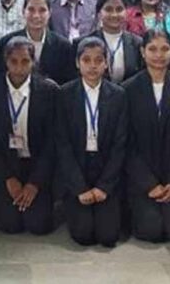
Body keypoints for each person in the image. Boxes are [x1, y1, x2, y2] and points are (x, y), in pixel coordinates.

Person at [55, 37, 129, 247]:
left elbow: (120, 144)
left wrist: (104, 187)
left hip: (106, 169)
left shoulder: (118, 95)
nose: (92, 66)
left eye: (98, 60)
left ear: (106, 63)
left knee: (108, 237)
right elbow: (63, 144)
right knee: (83, 236)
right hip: (78, 168)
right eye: (86, 60)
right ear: (77, 63)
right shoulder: (64, 94)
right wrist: (79, 187)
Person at [124, 30, 170, 244]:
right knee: (151, 231)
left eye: (164, 49)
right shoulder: (128, 89)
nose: (158, 55)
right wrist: (149, 183)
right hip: (143, 178)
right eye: (152, 49)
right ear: (142, 52)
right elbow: (127, 144)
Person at [0, 37, 58, 235]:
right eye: (13, 61)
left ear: (33, 62)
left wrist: (35, 183)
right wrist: (8, 178)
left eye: (25, 61)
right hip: (7, 165)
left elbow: (51, 141)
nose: (19, 67)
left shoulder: (48, 91)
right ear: (5, 61)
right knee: (10, 225)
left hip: (36, 165)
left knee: (39, 226)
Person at [0, 0, 76, 85]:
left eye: (42, 10)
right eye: (31, 10)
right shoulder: (6, 43)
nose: (36, 15)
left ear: (50, 13)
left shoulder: (63, 46)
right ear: (23, 11)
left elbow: (69, 81)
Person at [79, 0, 143, 83]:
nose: (114, 14)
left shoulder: (137, 43)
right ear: (99, 13)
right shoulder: (83, 43)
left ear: (126, 12)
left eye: (119, 9)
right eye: (108, 9)